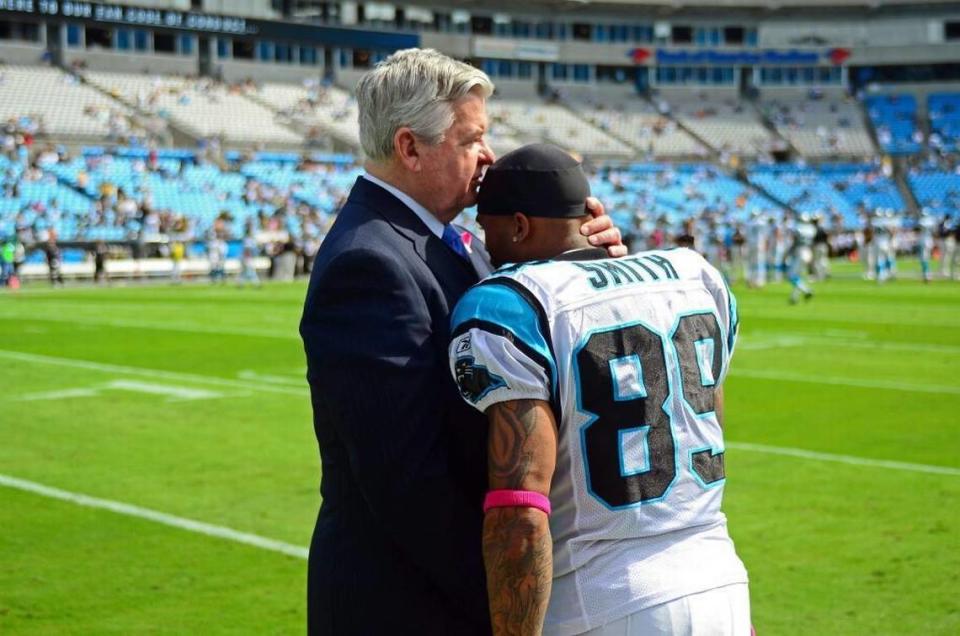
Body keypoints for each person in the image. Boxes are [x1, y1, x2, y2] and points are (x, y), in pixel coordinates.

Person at [298, 50, 624, 636]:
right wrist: (514, 605)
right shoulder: (369, 262)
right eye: (471, 139)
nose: (489, 156)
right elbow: (410, 486)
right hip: (410, 606)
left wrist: (586, 265)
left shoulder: (445, 240)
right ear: (410, 148)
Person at [448, 144, 750, 636]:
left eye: (488, 227)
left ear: (520, 226)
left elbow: (521, 514)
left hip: (602, 601)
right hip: (720, 582)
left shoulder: (510, 304)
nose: (486, 243)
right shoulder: (695, 275)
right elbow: (705, 419)